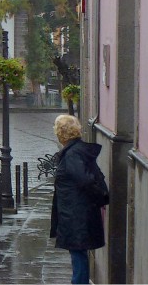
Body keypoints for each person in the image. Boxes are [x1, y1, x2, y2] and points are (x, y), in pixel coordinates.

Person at [49, 114, 107, 284]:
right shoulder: (76, 150)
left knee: (78, 254)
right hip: (78, 211)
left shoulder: (72, 154)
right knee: (78, 253)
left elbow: (85, 180)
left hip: (76, 213)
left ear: (61, 132)